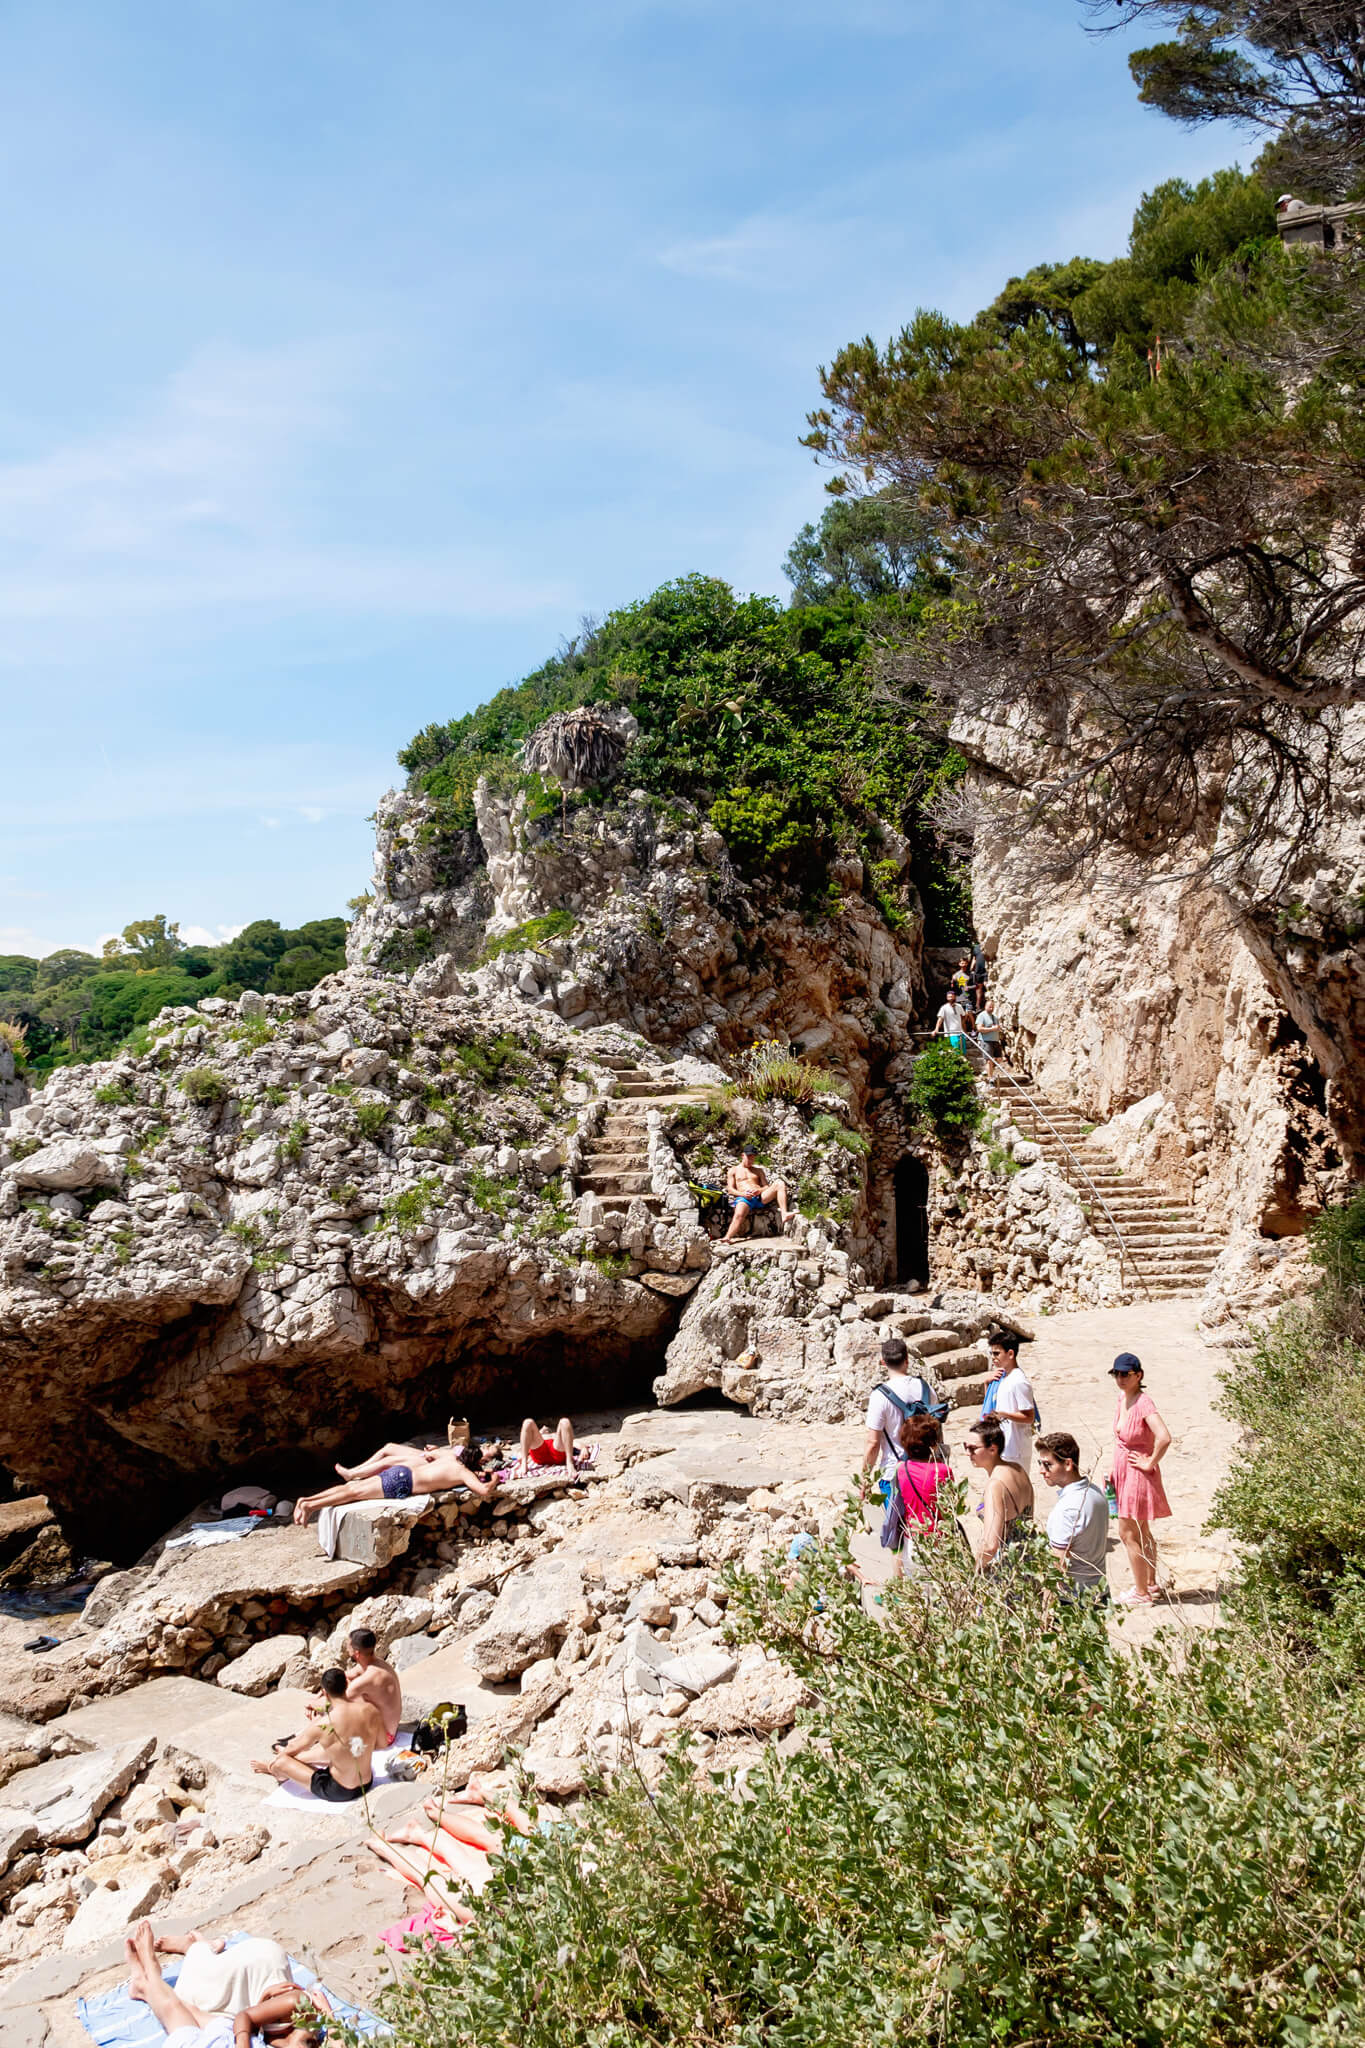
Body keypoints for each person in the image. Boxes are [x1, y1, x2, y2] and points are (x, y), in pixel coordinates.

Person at [122, 1921, 326, 2048]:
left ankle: (199, 1949)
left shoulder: (289, 2041)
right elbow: (244, 2017)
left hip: (246, 1998)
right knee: (186, 2000)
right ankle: (185, 1953)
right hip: (256, 1966)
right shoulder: (300, 2007)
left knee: (191, 2008)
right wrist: (329, 2014)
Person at [251, 1667, 383, 1802]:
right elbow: (381, 1742)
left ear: (325, 1693)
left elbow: (292, 1748)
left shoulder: (324, 1724)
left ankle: (272, 1769)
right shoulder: (370, 1709)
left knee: (281, 1762)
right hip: (366, 1782)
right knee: (335, 1747)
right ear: (347, 1684)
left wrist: (280, 1759)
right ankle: (300, 1759)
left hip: (339, 1790)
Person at [294, 1440, 497, 1524]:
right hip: (402, 1484)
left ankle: (307, 1500)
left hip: (401, 1472)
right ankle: (311, 1506)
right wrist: (494, 1479)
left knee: (353, 1487)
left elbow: (430, 1452)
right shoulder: (462, 1472)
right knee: (354, 1493)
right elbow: (483, 1491)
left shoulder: (449, 1457)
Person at [1109, 1352, 1172, 1605]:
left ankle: (1141, 1592)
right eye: (1117, 1374)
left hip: (1138, 1473)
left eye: (1126, 1374)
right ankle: (1149, 1583)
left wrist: (1149, 1462)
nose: (1121, 1379)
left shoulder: (1143, 1403)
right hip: (1124, 1472)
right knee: (1142, 1529)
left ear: (1139, 1375)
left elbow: (1164, 1437)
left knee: (1127, 1532)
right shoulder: (1122, 1398)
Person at [861, 1337, 941, 1496]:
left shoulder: (879, 1396)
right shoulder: (926, 1388)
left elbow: (873, 1443)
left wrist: (865, 1480)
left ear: (883, 1362)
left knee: (895, 1520)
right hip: (927, 1470)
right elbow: (937, 1429)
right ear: (907, 1360)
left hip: (894, 1472)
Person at [1036, 1431, 1109, 1599]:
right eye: (1040, 1463)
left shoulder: (1067, 1509)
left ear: (1068, 1464)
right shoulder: (1095, 1492)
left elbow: (1057, 1565)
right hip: (1100, 1592)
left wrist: (1045, 1610)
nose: (1041, 1470)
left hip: (1074, 1600)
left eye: (1048, 1464)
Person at [963, 1415, 1033, 1572]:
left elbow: (990, 1545)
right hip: (1028, 1561)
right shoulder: (1018, 1470)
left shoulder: (995, 1485)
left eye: (973, 1448)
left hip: (1007, 1570)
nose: (968, 1453)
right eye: (965, 1447)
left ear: (993, 1449)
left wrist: (975, 1571)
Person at [889, 1413, 954, 1576]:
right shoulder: (944, 1471)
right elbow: (951, 1506)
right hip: (940, 1540)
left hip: (913, 1539)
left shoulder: (901, 1469)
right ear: (933, 1444)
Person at [981, 1328, 1037, 1470]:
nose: (993, 1357)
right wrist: (987, 1384)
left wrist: (1004, 1414)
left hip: (1016, 1450)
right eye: (991, 1353)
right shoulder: (1003, 1378)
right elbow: (993, 1404)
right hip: (1004, 1446)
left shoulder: (1019, 1381)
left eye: (997, 1353)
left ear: (1010, 1353)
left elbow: (1029, 1417)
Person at [341, 1626, 403, 1746]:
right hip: (388, 1730)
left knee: (335, 1712)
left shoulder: (370, 1676)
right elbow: (342, 1676)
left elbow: (337, 1700)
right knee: (346, 1686)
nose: (347, 1649)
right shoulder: (378, 1664)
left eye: (348, 1647)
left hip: (384, 1738)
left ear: (356, 1653)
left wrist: (312, 1705)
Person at [723, 1144, 793, 1241]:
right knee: (739, 1214)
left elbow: (766, 1187)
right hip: (744, 1198)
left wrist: (759, 1190)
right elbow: (730, 1189)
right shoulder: (733, 1170)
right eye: (749, 1157)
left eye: (753, 1158)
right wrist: (743, 1194)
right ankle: (727, 1237)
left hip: (760, 1197)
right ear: (742, 1156)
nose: (751, 1160)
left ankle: (784, 1214)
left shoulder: (758, 1170)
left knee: (779, 1183)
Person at [970, 939, 988, 1008]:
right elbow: (974, 958)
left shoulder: (987, 946)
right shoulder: (976, 947)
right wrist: (971, 968)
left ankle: (987, 1002)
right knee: (978, 987)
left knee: (986, 985)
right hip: (978, 970)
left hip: (986, 969)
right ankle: (978, 1004)